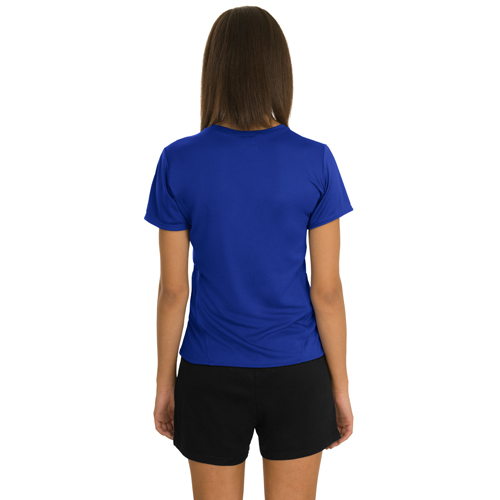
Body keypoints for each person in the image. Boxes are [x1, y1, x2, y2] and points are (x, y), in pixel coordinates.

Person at [144, 6, 354, 499]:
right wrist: (340, 389)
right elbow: (327, 291)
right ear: (280, 72)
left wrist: (164, 384)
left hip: (209, 373)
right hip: (298, 372)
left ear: (214, 71)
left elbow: (174, 290)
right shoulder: (315, 160)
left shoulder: (178, 161)